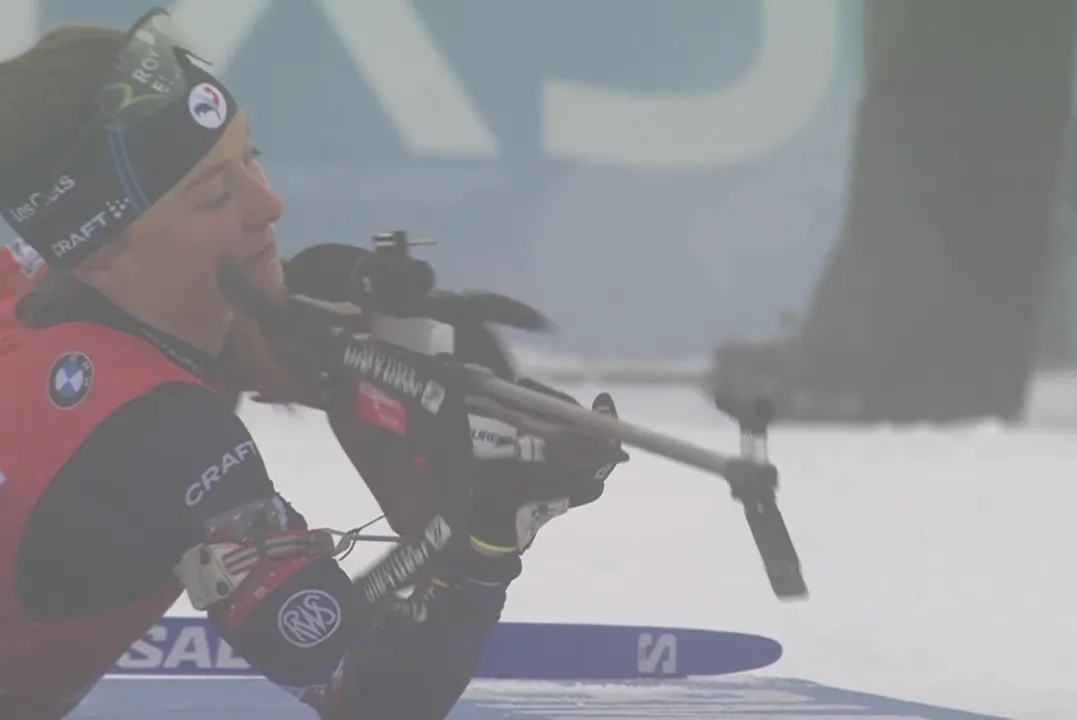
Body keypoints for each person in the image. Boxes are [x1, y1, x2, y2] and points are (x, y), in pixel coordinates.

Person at [0, 10, 625, 719]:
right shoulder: (165, 434)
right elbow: (367, 696)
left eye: (252, 157)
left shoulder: (40, 275)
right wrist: (481, 546)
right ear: (96, 251)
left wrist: (310, 340)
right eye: (214, 195)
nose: (269, 203)